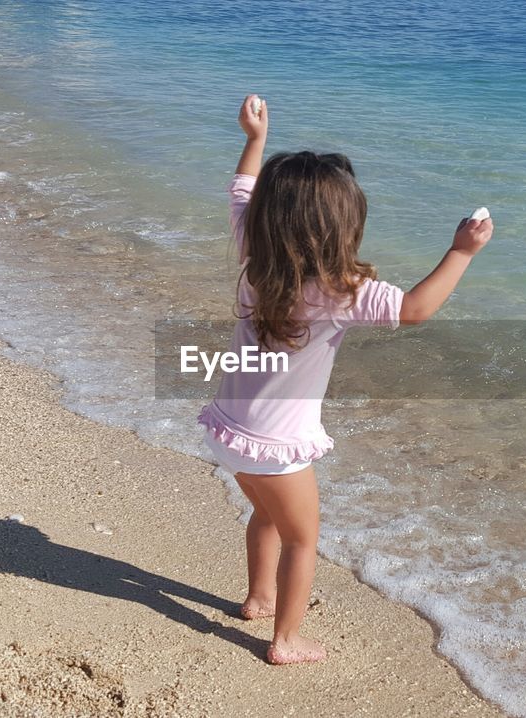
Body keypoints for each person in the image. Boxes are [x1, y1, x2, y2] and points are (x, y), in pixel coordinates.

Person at [198, 94, 494, 664]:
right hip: (279, 446)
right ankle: (284, 639)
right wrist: (461, 252)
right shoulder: (340, 291)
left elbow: (240, 191)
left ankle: (259, 598)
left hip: (228, 430)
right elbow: (414, 309)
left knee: (264, 514)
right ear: (342, 226)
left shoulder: (254, 253)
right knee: (303, 539)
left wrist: (255, 139)